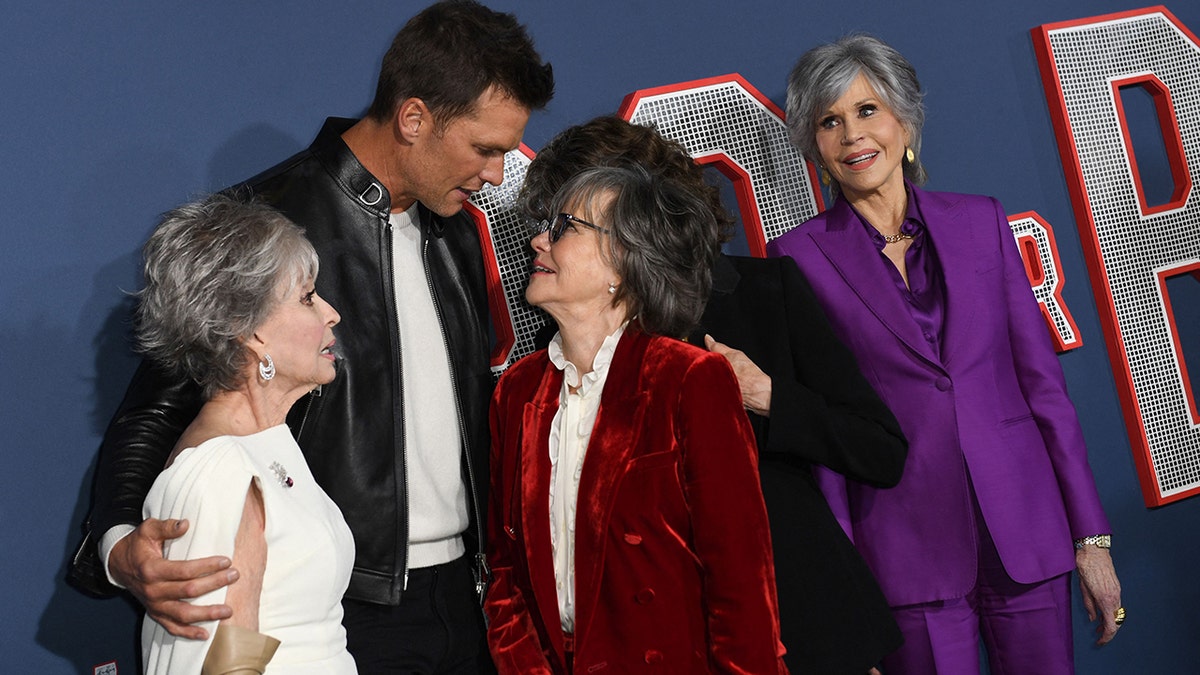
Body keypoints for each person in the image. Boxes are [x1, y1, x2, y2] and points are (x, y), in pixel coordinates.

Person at [68, 1, 554, 671]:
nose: (498, 173)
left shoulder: (457, 233)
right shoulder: (270, 223)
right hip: (339, 606)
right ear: (413, 118)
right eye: (485, 148)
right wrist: (122, 547)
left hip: (466, 603)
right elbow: (156, 406)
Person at [767, 34, 1124, 675]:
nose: (852, 135)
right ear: (814, 146)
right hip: (903, 552)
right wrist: (849, 601)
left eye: (868, 110)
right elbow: (825, 439)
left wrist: (1090, 538)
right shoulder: (799, 258)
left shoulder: (981, 221)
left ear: (905, 120)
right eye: (830, 121)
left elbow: (1043, 388)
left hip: (1026, 528)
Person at [518, 116, 907, 674]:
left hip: (805, 622)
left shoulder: (765, 293)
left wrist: (766, 395)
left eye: (579, 216)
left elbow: (880, 449)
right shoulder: (557, 342)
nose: (552, 237)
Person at [485, 166, 786, 673]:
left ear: (623, 262)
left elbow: (740, 578)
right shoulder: (517, 389)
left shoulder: (690, 377)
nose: (538, 241)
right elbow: (504, 569)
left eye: (564, 228)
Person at [136, 195, 353, 672]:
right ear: (249, 331)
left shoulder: (269, 444)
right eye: (307, 297)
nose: (331, 312)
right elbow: (218, 664)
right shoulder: (221, 472)